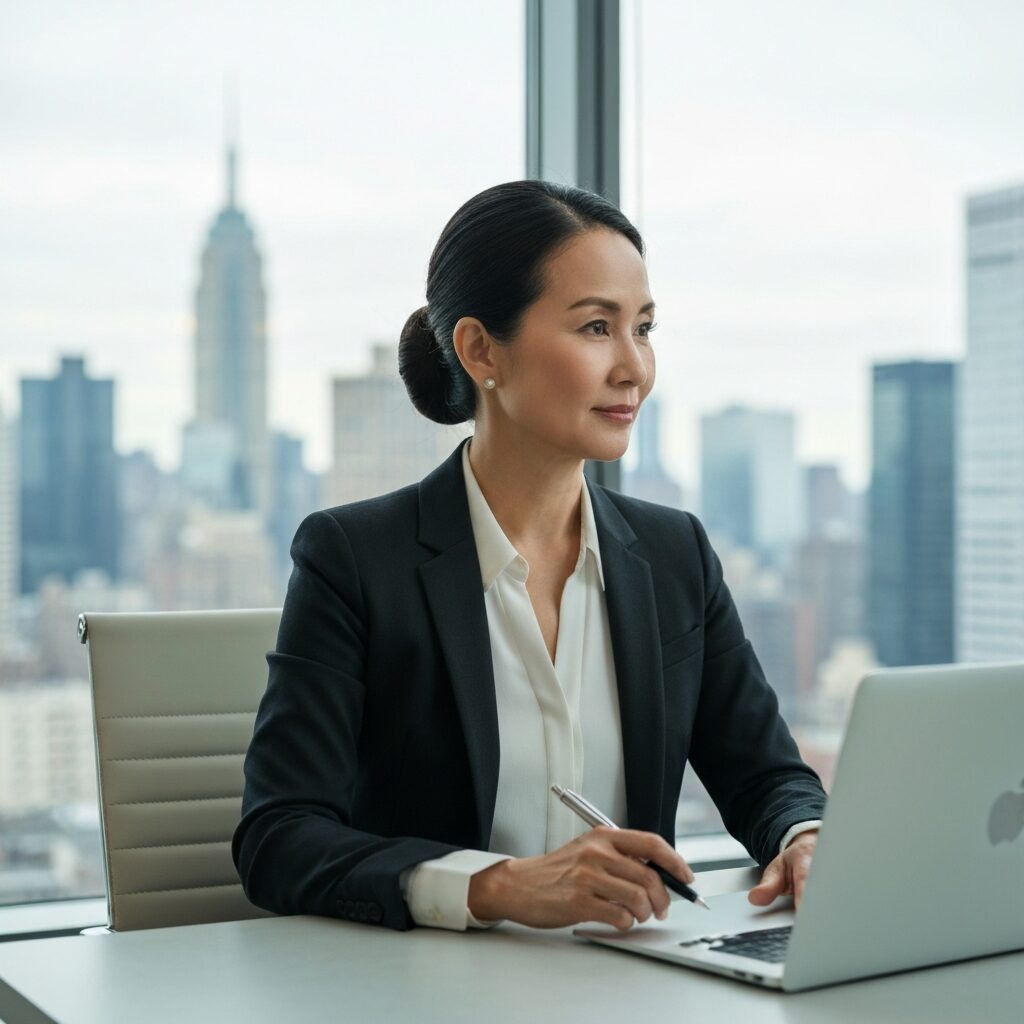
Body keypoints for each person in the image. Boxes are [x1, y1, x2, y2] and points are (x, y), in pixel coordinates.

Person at [233, 180, 827, 933]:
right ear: (482, 350)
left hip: (635, 986)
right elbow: (278, 839)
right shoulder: (354, 559)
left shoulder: (676, 555)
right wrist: (497, 886)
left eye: (642, 328)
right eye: (593, 328)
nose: (634, 368)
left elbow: (768, 777)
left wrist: (803, 836)